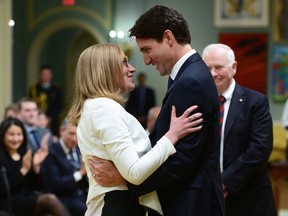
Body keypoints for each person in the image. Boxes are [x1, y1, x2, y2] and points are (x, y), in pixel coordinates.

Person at [88, 5, 225, 216]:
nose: (145, 61)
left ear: (168, 38)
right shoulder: (187, 76)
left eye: (147, 49)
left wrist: (124, 179)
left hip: (190, 203)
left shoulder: (191, 81)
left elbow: (182, 162)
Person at [67, 43, 203, 216]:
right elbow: (134, 172)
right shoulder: (104, 107)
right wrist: (172, 136)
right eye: (124, 63)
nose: (132, 69)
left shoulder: (94, 106)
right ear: (106, 69)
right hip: (116, 206)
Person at [202, 43, 277, 216]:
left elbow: (259, 149)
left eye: (219, 67)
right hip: (208, 197)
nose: (213, 73)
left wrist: (225, 182)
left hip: (249, 197)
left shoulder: (256, 102)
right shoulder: (198, 103)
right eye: (208, 68)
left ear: (234, 67)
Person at [0, 117, 70, 216]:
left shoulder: (25, 154)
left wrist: (36, 168)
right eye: (11, 134)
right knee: (49, 199)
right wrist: (23, 170)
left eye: (19, 134)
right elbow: (3, 189)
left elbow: (36, 187)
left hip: (26, 199)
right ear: (2, 135)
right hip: (8, 202)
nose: (16, 139)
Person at [41, 117, 88, 216]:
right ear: (61, 131)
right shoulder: (51, 152)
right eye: (71, 134)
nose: (74, 139)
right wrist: (80, 173)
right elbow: (54, 185)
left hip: (83, 195)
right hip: (63, 198)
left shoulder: (81, 149)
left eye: (77, 134)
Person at [28, 64, 63, 136]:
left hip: (52, 120)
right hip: (37, 118)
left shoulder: (56, 89)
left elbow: (59, 105)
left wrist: (50, 117)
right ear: (40, 75)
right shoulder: (34, 89)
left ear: (51, 75)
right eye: (44, 74)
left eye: (48, 74)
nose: (46, 76)